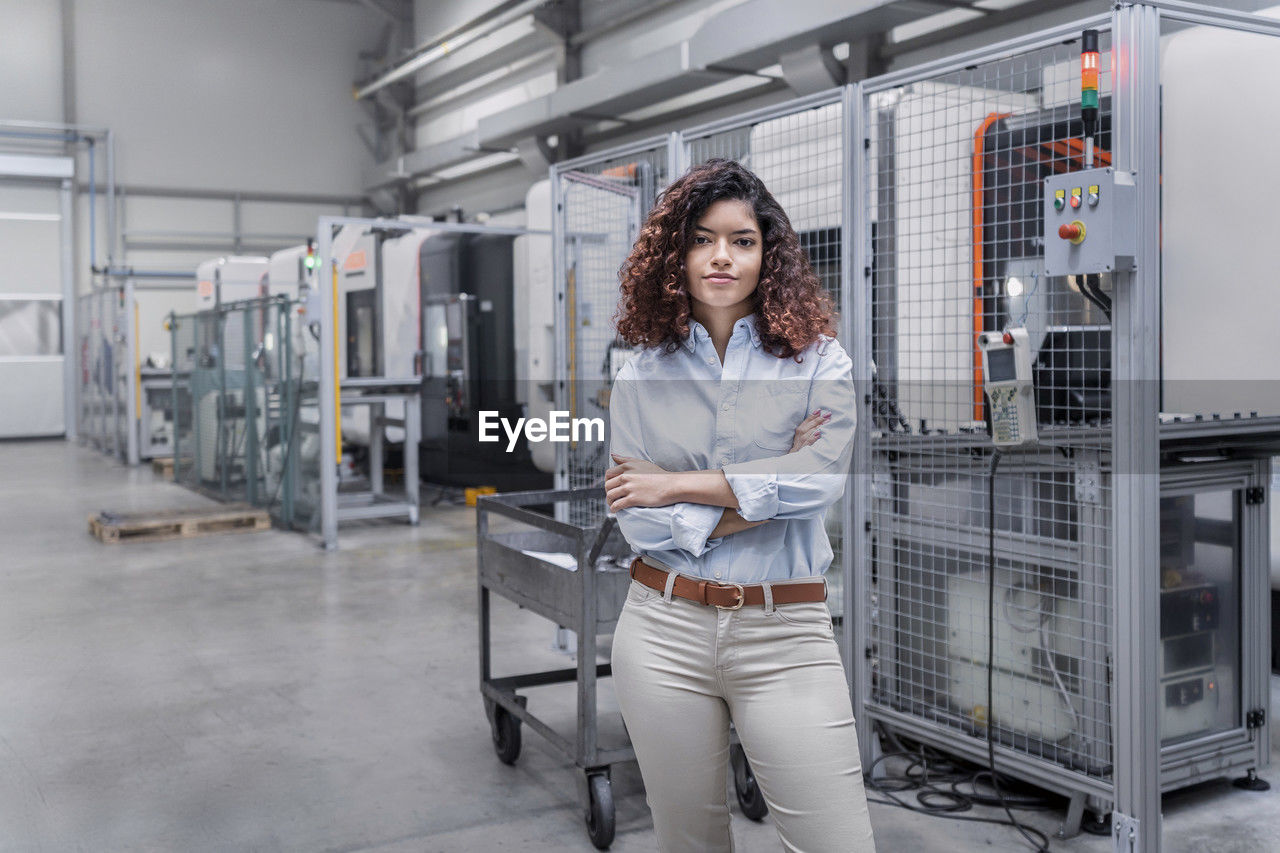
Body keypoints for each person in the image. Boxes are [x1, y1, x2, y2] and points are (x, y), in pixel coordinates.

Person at [604, 158, 876, 852]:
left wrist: (678, 484)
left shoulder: (818, 360)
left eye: (742, 240)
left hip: (785, 631)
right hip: (663, 629)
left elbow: (820, 481)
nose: (721, 256)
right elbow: (636, 514)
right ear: (676, 252)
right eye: (701, 238)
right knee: (689, 841)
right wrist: (764, 488)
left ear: (768, 253)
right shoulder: (641, 370)